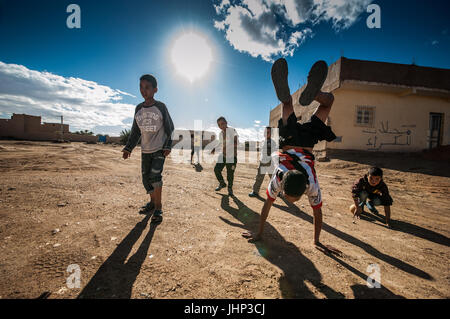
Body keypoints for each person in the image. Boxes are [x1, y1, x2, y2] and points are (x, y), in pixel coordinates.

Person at [243, 58, 340, 254]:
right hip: (289, 139)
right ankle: (305, 95)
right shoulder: (282, 180)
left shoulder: (308, 182)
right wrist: (317, 242)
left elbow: (266, 208)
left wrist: (259, 233)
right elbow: (317, 213)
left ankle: (318, 96)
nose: (290, 200)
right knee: (287, 105)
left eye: (288, 198)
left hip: (308, 142)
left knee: (328, 103)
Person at [122, 74, 174, 223]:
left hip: (159, 149)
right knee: (146, 179)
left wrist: (168, 145)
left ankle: (158, 208)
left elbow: (170, 127)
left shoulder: (160, 107)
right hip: (145, 150)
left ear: (155, 89)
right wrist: (128, 148)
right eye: (141, 87)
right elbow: (135, 131)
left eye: (147, 87)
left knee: (155, 177)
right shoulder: (138, 108)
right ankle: (152, 203)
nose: (143, 90)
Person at [248, 126, 277, 198]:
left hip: (270, 163)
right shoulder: (263, 141)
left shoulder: (272, 142)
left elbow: (274, 152)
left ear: (271, 134)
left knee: (273, 178)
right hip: (262, 162)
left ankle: (277, 191)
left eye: (268, 132)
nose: (266, 133)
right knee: (259, 177)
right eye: (265, 132)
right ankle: (255, 191)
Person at [214, 116, 238, 196]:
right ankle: (222, 183)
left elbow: (236, 142)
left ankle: (230, 189)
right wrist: (215, 148)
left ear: (226, 122)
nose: (221, 126)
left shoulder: (232, 131)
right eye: (219, 125)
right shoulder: (220, 134)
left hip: (231, 157)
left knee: (230, 174)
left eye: (222, 123)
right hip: (223, 156)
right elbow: (220, 143)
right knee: (216, 170)